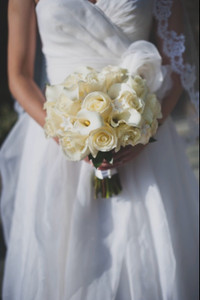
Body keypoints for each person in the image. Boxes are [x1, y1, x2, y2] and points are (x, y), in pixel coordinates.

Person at [0, 0, 198, 299]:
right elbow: (19, 76)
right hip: (56, 144)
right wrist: (68, 134)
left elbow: (175, 64)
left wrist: (146, 131)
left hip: (143, 139)